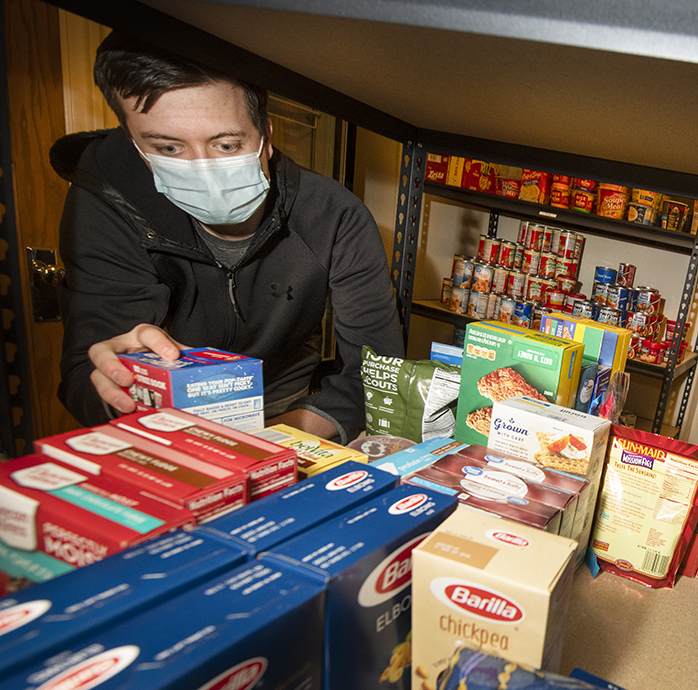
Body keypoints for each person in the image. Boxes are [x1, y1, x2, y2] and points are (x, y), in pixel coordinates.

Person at [50, 31, 404, 444]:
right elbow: (84, 374)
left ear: (266, 138)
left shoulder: (333, 215)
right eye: (168, 148)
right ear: (135, 143)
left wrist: (282, 437)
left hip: (285, 410)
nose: (202, 170)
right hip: (165, 423)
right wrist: (122, 387)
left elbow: (379, 370)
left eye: (226, 144)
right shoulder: (105, 206)